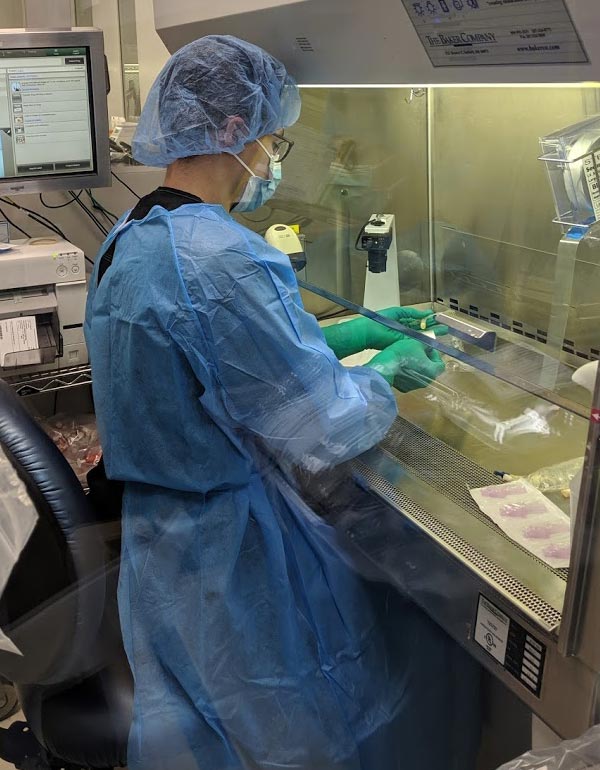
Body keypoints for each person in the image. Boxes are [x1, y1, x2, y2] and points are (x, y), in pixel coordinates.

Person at [85, 35, 479, 770]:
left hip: (164, 545)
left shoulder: (134, 233)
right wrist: (385, 371)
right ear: (235, 134)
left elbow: (214, 358)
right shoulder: (225, 257)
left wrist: (345, 333)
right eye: (274, 142)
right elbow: (322, 427)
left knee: (203, 736)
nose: (272, 162)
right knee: (288, 734)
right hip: (231, 553)